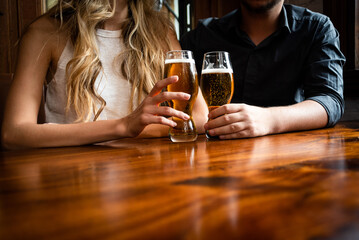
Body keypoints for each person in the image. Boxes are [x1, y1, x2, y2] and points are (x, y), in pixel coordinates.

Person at [1, 0, 208, 149]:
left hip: (143, 167)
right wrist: (123, 126)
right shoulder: (45, 31)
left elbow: (199, 117)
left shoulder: (161, 31)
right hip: (72, 172)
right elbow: (14, 132)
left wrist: (134, 129)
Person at [181, 0, 345, 139]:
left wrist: (269, 119)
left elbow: (330, 101)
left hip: (290, 156)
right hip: (216, 159)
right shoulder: (201, 36)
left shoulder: (316, 28)